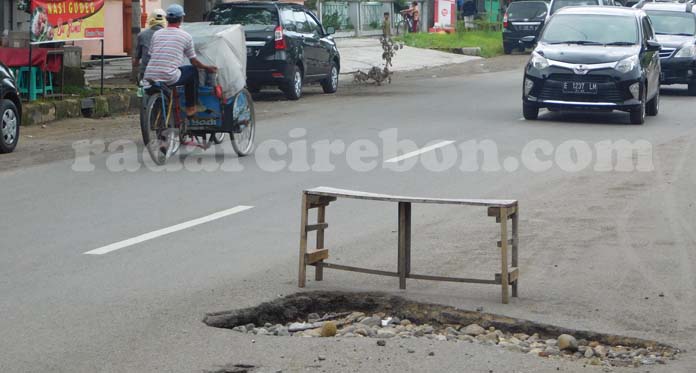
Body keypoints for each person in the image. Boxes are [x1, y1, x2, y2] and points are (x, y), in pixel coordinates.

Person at [144, 4, 217, 117]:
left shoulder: (157, 34)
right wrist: (207, 67)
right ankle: (191, 107)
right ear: (181, 19)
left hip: (149, 77)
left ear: (167, 19)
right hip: (169, 76)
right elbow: (194, 62)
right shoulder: (186, 36)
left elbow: (151, 54)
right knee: (192, 71)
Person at [133, 9, 167, 82]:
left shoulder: (142, 35)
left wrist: (135, 64)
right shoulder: (169, 35)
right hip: (164, 72)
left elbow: (136, 59)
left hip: (146, 72)